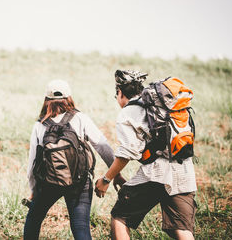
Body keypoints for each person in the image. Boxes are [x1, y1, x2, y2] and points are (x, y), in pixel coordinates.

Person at [94, 70, 197, 240]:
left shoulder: (127, 112)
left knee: (120, 217)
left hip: (155, 174)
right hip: (184, 173)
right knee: (182, 229)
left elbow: (127, 153)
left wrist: (106, 180)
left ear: (120, 93)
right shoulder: (164, 105)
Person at [24, 79, 125, 240]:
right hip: (80, 182)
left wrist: (34, 191)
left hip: (50, 182)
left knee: (34, 218)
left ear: (46, 100)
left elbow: (33, 163)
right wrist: (116, 174)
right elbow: (103, 146)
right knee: (80, 227)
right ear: (69, 97)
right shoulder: (80, 118)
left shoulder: (40, 125)